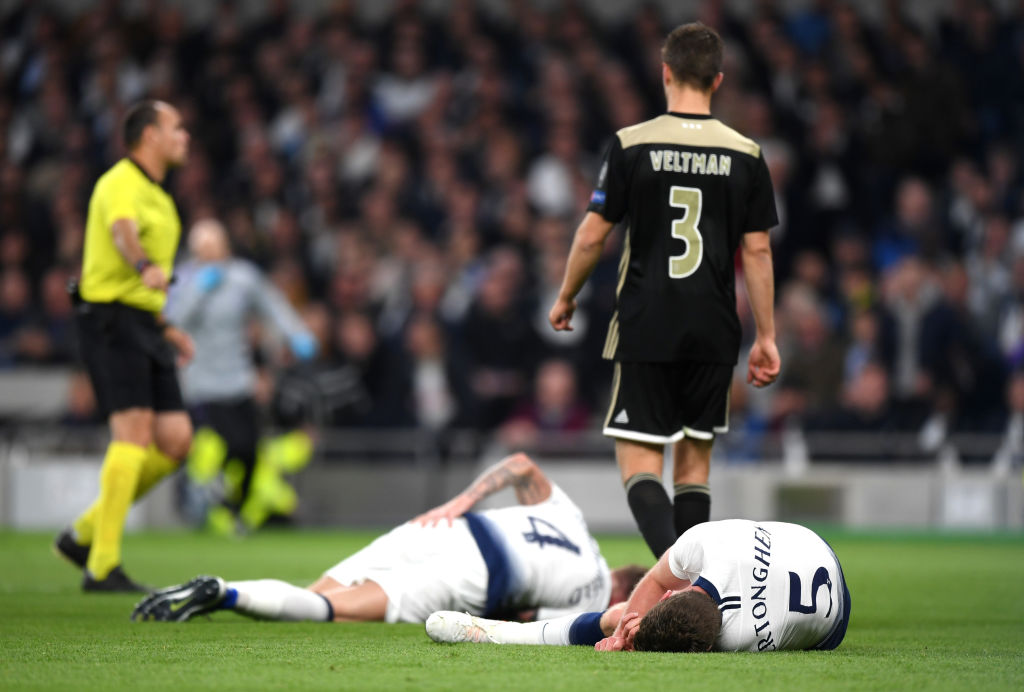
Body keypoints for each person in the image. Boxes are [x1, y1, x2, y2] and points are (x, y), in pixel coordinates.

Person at [547, 23, 781, 558]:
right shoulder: (746, 153)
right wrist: (766, 336)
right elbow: (759, 252)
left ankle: (679, 587)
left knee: (638, 459)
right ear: (718, 80)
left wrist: (566, 296)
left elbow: (592, 235)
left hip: (647, 321)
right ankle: (697, 587)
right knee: (694, 464)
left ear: (665, 72)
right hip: (714, 328)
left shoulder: (633, 144)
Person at [131, 453, 646, 623]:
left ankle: (230, 590)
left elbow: (520, 465)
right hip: (469, 575)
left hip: (449, 526)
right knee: (329, 611)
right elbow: (529, 620)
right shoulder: (598, 596)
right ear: (624, 592)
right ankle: (224, 591)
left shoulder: (575, 522)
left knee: (317, 591)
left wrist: (459, 503)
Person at [53, 100, 193, 592]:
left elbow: (150, 279)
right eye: (177, 127)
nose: (185, 136)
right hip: (109, 318)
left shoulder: (163, 199)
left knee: (176, 441)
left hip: (144, 324)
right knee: (132, 434)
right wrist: (140, 266)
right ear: (149, 135)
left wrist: (165, 325)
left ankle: (83, 534)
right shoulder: (120, 183)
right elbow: (123, 234)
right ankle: (101, 565)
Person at [426, 519, 850, 653]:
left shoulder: (734, 638)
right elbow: (653, 582)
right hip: (815, 549)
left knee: (616, 617)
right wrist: (629, 627)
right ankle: (508, 626)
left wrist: (627, 633)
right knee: (619, 615)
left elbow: (660, 593)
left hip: (828, 600)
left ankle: (498, 633)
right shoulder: (707, 544)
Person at [166, 218, 316, 534]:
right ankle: (200, 495)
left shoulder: (243, 277)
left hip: (237, 378)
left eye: (214, 245)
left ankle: (233, 506)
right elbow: (172, 321)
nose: (210, 253)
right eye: (203, 247)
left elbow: (273, 306)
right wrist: (198, 292)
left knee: (249, 448)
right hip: (201, 381)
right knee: (223, 444)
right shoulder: (184, 279)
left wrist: (297, 333)